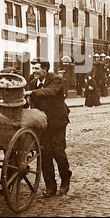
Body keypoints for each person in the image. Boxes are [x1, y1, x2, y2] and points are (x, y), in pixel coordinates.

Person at [24, 57, 72, 198]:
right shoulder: (33, 82)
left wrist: (31, 93)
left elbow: (50, 92)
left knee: (58, 152)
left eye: (36, 69)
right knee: (45, 155)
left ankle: (65, 180)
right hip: (42, 124)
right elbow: (30, 102)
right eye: (33, 69)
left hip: (57, 123)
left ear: (45, 69)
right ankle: (50, 186)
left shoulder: (56, 80)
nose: (34, 72)